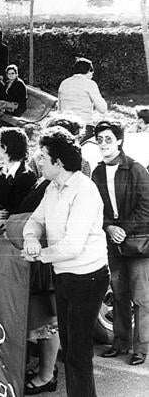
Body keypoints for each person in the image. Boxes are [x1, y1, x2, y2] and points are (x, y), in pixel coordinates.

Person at [23, 127, 109, 397]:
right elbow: (36, 220)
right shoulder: (52, 188)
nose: (38, 160)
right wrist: (31, 238)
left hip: (88, 278)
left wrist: (39, 255)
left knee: (78, 353)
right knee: (70, 348)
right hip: (64, 275)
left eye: (43, 157)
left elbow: (73, 245)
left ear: (58, 162)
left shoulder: (84, 190)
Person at [91, 121, 149, 366]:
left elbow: (146, 207)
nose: (103, 144)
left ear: (119, 141)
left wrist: (122, 229)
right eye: (99, 139)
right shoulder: (97, 172)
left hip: (137, 242)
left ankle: (142, 347)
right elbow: (94, 207)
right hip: (113, 242)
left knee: (141, 297)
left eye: (108, 138)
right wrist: (108, 226)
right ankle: (121, 342)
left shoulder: (136, 169)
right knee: (120, 294)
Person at [57, 57, 107, 139]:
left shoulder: (63, 83)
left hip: (65, 127)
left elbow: (59, 109)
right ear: (89, 70)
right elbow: (102, 109)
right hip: (84, 128)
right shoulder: (90, 84)